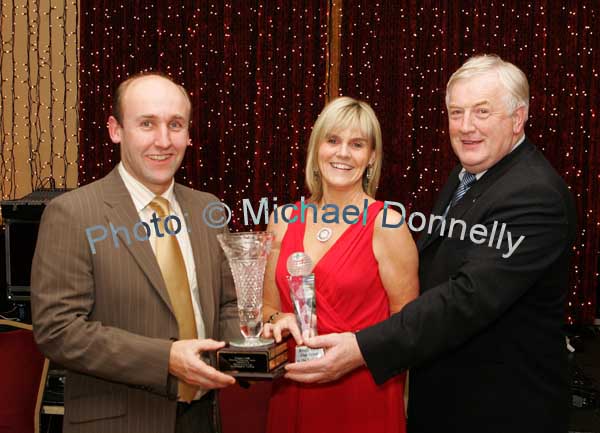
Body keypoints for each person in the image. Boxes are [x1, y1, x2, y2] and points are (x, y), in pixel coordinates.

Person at [285, 55, 577, 433]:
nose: (466, 127)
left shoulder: (534, 195)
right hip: (449, 401)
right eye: (456, 113)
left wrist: (363, 347)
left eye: (482, 112)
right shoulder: (467, 176)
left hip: (500, 410)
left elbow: (466, 298)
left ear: (518, 118)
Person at [31, 72, 239, 433]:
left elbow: (228, 306)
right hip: (118, 421)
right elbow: (58, 330)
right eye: (147, 123)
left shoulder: (210, 210)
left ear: (189, 133)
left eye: (175, 125)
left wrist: (256, 344)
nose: (163, 140)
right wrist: (166, 359)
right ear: (116, 130)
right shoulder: (74, 214)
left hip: (203, 418)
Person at [261, 96, 419, 433]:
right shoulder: (283, 221)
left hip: (361, 397)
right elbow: (266, 308)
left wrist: (356, 351)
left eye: (357, 144)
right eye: (333, 140)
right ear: (317, 148)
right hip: (293, 387)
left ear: (372, 157)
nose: (343, 153)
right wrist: (279, 320)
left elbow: (409, 328)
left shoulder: (387, 225)